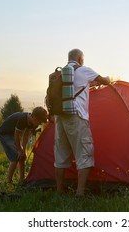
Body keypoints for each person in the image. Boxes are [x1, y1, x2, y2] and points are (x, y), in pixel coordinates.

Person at [54, 48, 110, 196]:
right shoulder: (84, 70)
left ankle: (59, 191)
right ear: (80, 58)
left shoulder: (61, 73)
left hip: (59, 116)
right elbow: (105, 81)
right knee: (84, 152)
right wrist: (108, 78)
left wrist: (88, 85)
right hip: (77, 116)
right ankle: (80, 192)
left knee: (61, 154)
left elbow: (75, 88)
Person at [0, 107, 48, 184]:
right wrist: (19, 150)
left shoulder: (31, 122)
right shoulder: (22, 119)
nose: (39, 124)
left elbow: (26, 135)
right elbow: (16, 136)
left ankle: (22, 179)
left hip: (12, 134)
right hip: (5, 134)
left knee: (22, 156)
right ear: (34, 118)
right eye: (39, 122)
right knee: (16, 157)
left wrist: (24, 150)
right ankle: (8, 181)